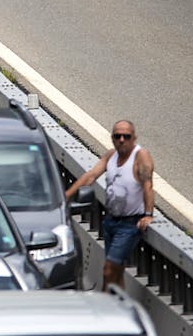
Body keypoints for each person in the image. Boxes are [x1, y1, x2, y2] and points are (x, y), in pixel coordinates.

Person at [64, 120, 155, 291]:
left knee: (108, 271)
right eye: (117, 136)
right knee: (116, 273)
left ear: (133, 138)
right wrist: (67, 196)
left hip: (129, 224)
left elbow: (148, 185)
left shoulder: (140, 156)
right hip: (111, 222)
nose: (122, 139)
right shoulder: (110, 156)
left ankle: (106, 306)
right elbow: (91, 176)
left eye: (126, 136)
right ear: (112, 138)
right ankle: (120, 309)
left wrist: (148, 214)